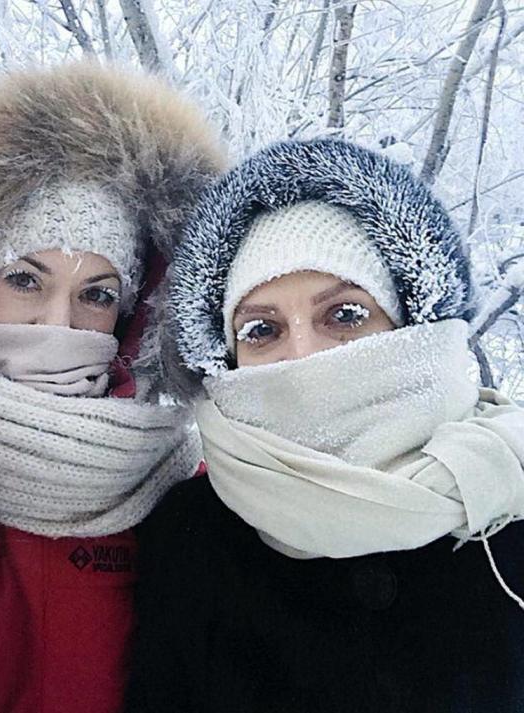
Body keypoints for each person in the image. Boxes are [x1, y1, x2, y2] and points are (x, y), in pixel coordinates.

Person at [0, 61, 226, 713]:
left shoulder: (175, 496)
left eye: (96, 294)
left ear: (132, 314)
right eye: (25, 280)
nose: (58, 323)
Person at [126, 138, 524, 713]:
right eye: (262, 330)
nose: (306, 356)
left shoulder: (508, 510)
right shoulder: (188, 540)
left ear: (412, 322)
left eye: (344, 315)